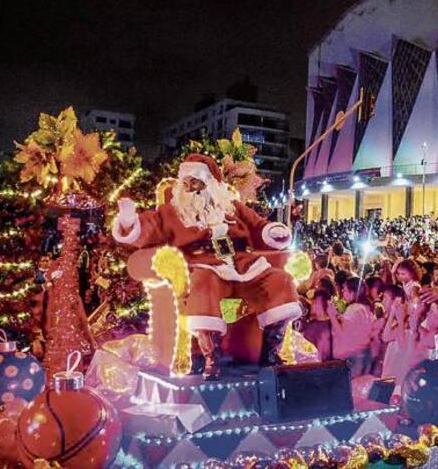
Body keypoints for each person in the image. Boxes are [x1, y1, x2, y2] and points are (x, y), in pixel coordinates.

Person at [112, 153, 298, 378]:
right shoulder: (172, 212)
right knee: (202, 283)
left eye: (195, 181)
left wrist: (273, 231)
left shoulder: (231, 207)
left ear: (210, 183)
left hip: (242, 265)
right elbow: (149, 227)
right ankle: (211, 358)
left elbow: (258, 225)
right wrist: (128, 221)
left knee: (281, 280)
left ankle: (269, 355)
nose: (190, 187)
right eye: (186, 182)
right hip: (205, 265)